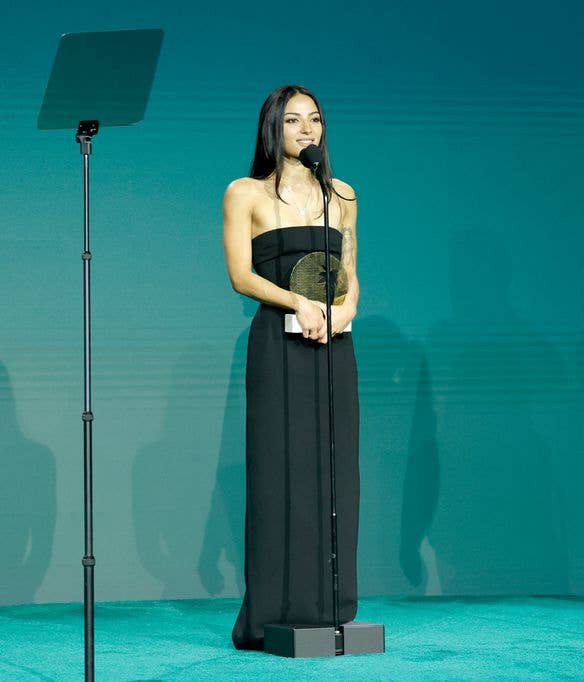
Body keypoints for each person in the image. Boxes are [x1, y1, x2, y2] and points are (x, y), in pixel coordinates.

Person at [222, 84, 360, 649]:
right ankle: (272, 613)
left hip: (335, 344)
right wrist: (297, 302)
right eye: (294, 121)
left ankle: (331, 608)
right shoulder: (245, 192)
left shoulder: (342, 195)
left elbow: (351, 275)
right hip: (276, 348)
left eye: (316, 120)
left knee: (333, 472)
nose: (307, 130)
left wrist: (341, 310)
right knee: (280, 472)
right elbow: (241, 276)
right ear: (273, 129)